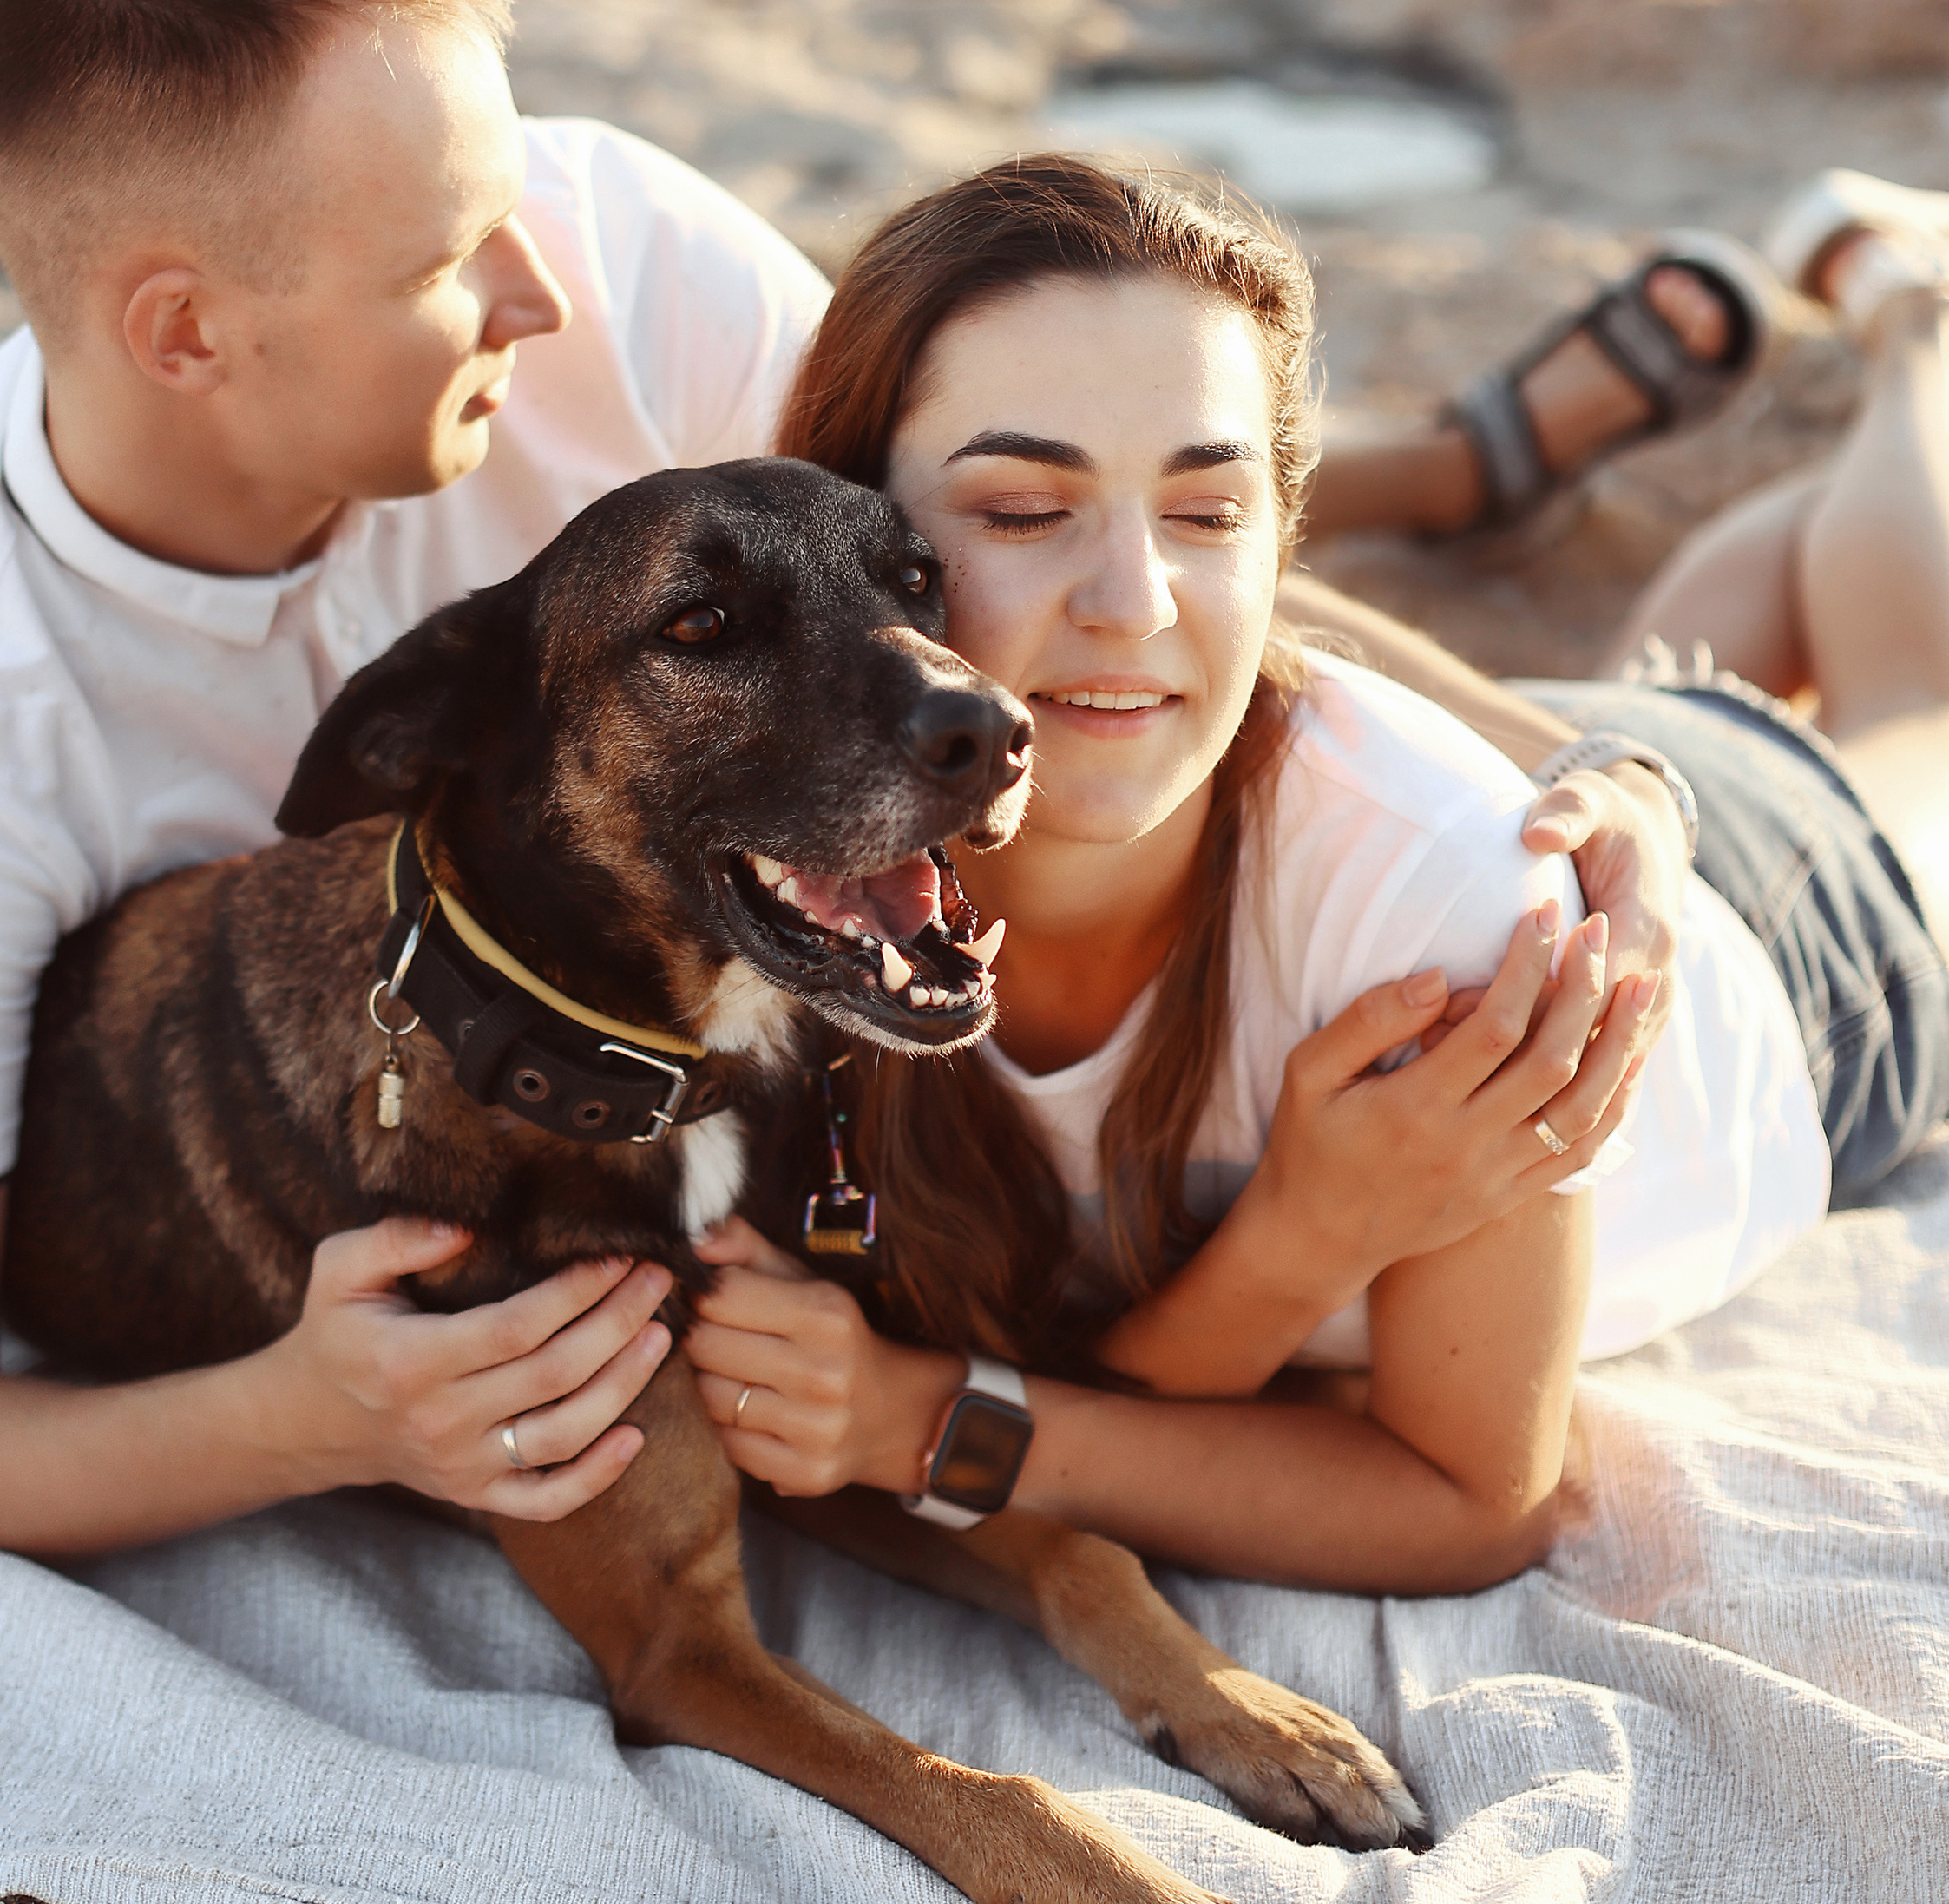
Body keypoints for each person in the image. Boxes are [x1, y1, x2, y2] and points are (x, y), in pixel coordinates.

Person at [0, 0, 1697, 1559]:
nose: (540, 290)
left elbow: (1081, 571)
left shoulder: (620, 259)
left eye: (514, 190)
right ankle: (1498, 463)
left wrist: (1586, 761)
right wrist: (297, 1421)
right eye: (448, 255)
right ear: (185, 332)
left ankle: (1472, 477)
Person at [679, 156, 1949, 1594]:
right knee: (1687, 683)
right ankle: (1753, 582)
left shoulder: (1462, 911)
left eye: (1207, 514)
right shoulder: (776, 883)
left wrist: (928, 1423)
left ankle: (1914, 313)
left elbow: (1473, 1506)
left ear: (1283, 539)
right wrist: (1292, 1239)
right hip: (1437, 765)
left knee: (1912, 724)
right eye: (1024, 510)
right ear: (851, 530)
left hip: (1779, 951)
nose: (1134, 605)